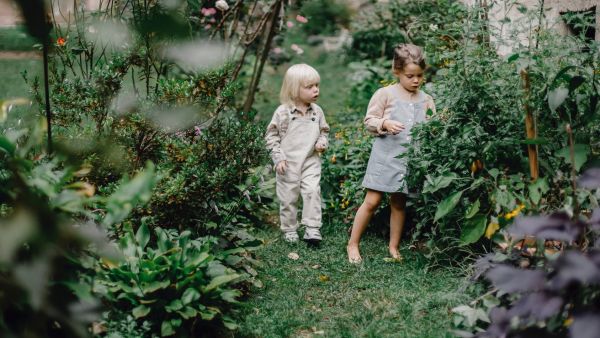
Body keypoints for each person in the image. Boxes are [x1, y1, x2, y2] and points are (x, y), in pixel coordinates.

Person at [347, 44, 436, 263]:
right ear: (396, 72)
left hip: (409, 160)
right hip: (385, 157)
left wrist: (436, 125)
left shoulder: (426, 99)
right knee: (372, 201)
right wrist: (385, 122)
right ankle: (353, 243)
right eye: (410, 76)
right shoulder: (385, 94)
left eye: (420, 76)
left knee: (399, 203)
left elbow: (432, 126)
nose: (415, 80)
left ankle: (394, 247)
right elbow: (369, 121)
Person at [265, 63, 330, 243]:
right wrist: (278, 158)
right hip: (288, 162)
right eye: (310, 87)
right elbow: (271, 137)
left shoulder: (317, 112)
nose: (316, 90)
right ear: (294, 89)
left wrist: (321, 142)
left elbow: (324, 131)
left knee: (312, 191)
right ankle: (290, 228)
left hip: (310, 159)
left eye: (317, 85)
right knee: (288, 196)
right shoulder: (283, 113)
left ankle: (312, 227)